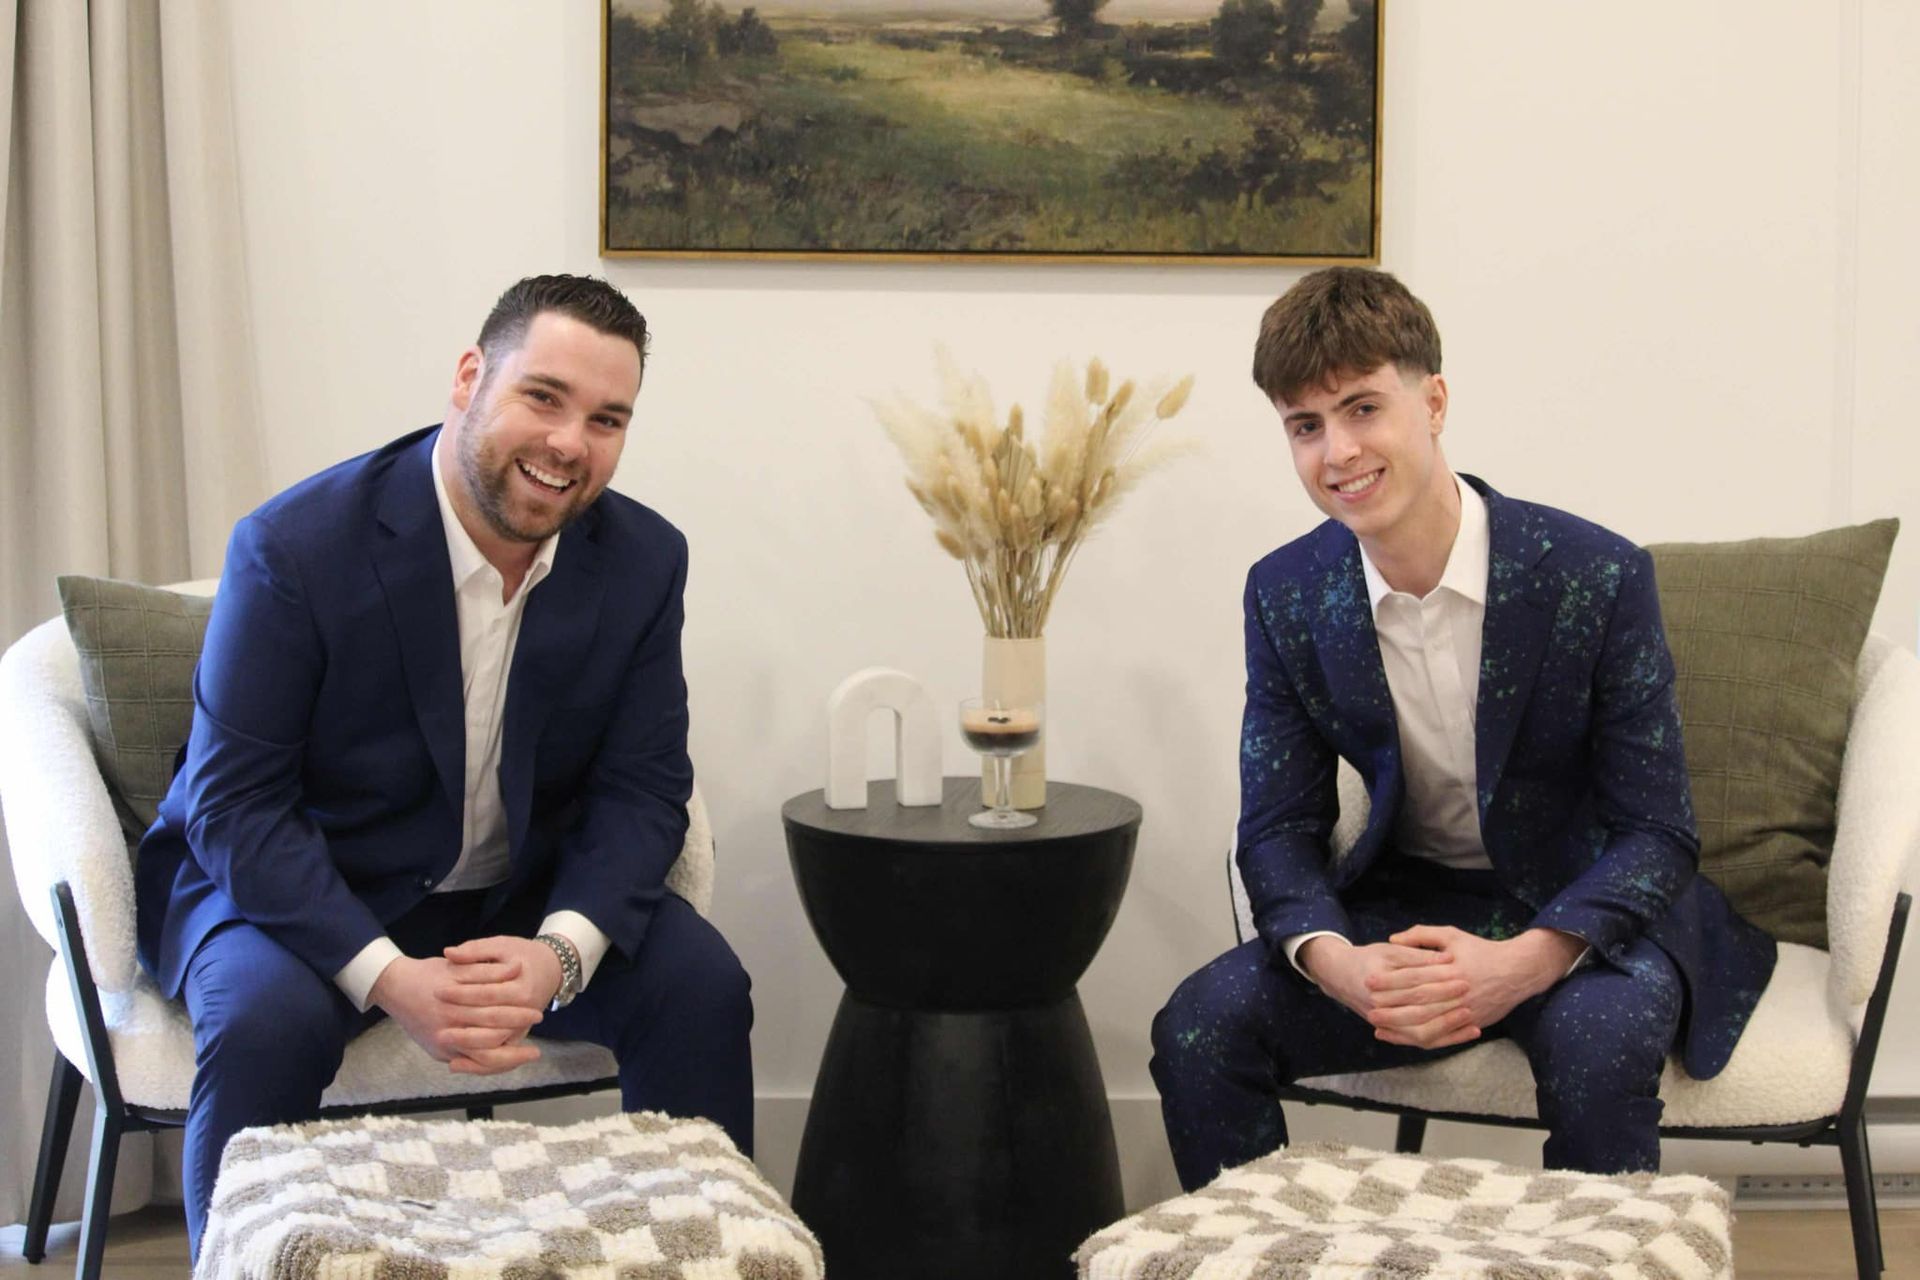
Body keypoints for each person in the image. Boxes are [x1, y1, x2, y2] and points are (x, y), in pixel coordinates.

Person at [134, 274, 753, 1256]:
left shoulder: (643, 560)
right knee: (267, 1020)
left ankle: (697, 1261)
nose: (568, 444)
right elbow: (234, 804)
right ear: (470, 378)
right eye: (542, 396)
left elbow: (644, 786)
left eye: (606, 418)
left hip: (510, 894)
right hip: (295, 888)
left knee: (701, 984)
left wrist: (560, 951)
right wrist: (389, 976)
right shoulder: (293, 548)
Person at [1150, 267, 1775, 1189]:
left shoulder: (1594, 575)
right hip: (1405, 911)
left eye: (1364, 408)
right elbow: (1278, 831)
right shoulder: (1285, 595)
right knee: (1197, 1028)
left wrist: (1525, 963)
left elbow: (1657, 831)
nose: (1338, 452)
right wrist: (1337, 964)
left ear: (1433, 401)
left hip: (1584, 911)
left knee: (1599, 1046)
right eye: (1305, 426)